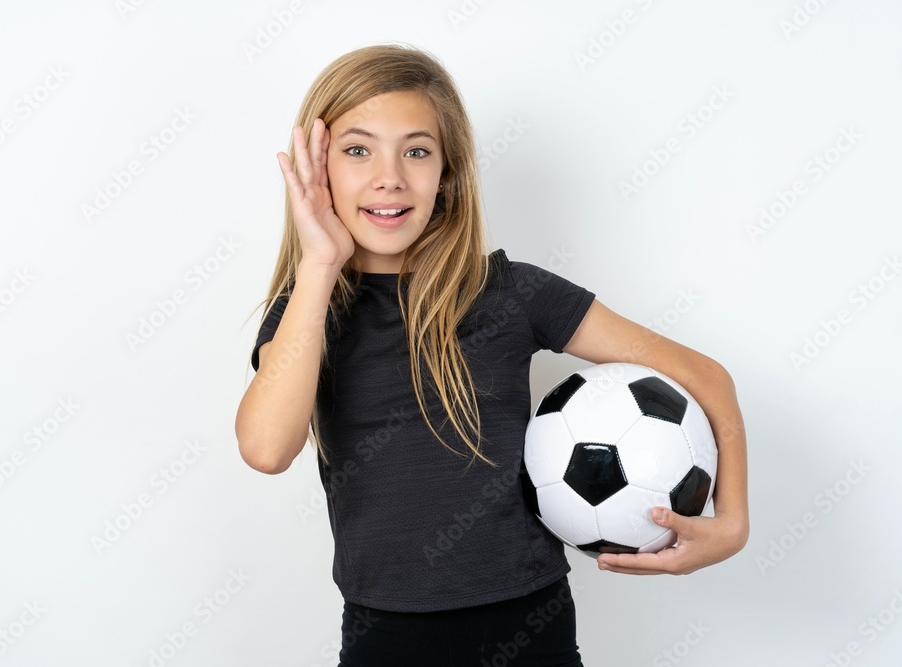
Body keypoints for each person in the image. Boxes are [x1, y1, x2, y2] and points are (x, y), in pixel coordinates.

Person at [235, 43, 749, 667]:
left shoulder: (511, 292)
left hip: (530, 626)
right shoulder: (309, 310)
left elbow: (704, 377)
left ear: (446, 174)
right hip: (384, 636)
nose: (389, 176)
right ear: (320, 171)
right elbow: (266, 448)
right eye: (358, 149)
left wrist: (732, 524)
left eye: (417, 151)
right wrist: (319, 263)